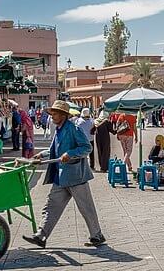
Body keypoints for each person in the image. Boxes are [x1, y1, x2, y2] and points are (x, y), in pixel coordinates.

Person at [22, 100, 105, 248]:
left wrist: (71, 154)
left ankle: (96, 235)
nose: (52, 116)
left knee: (86, 207)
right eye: (52, 113)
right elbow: (56, 151)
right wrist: (42, 154)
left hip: (75, 176)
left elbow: (87, 148)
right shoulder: (59, 130)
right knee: (51, 205)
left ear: (63, 115)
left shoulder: (74, 128)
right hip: (61, 176)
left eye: (55, 114)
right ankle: (41, 235)